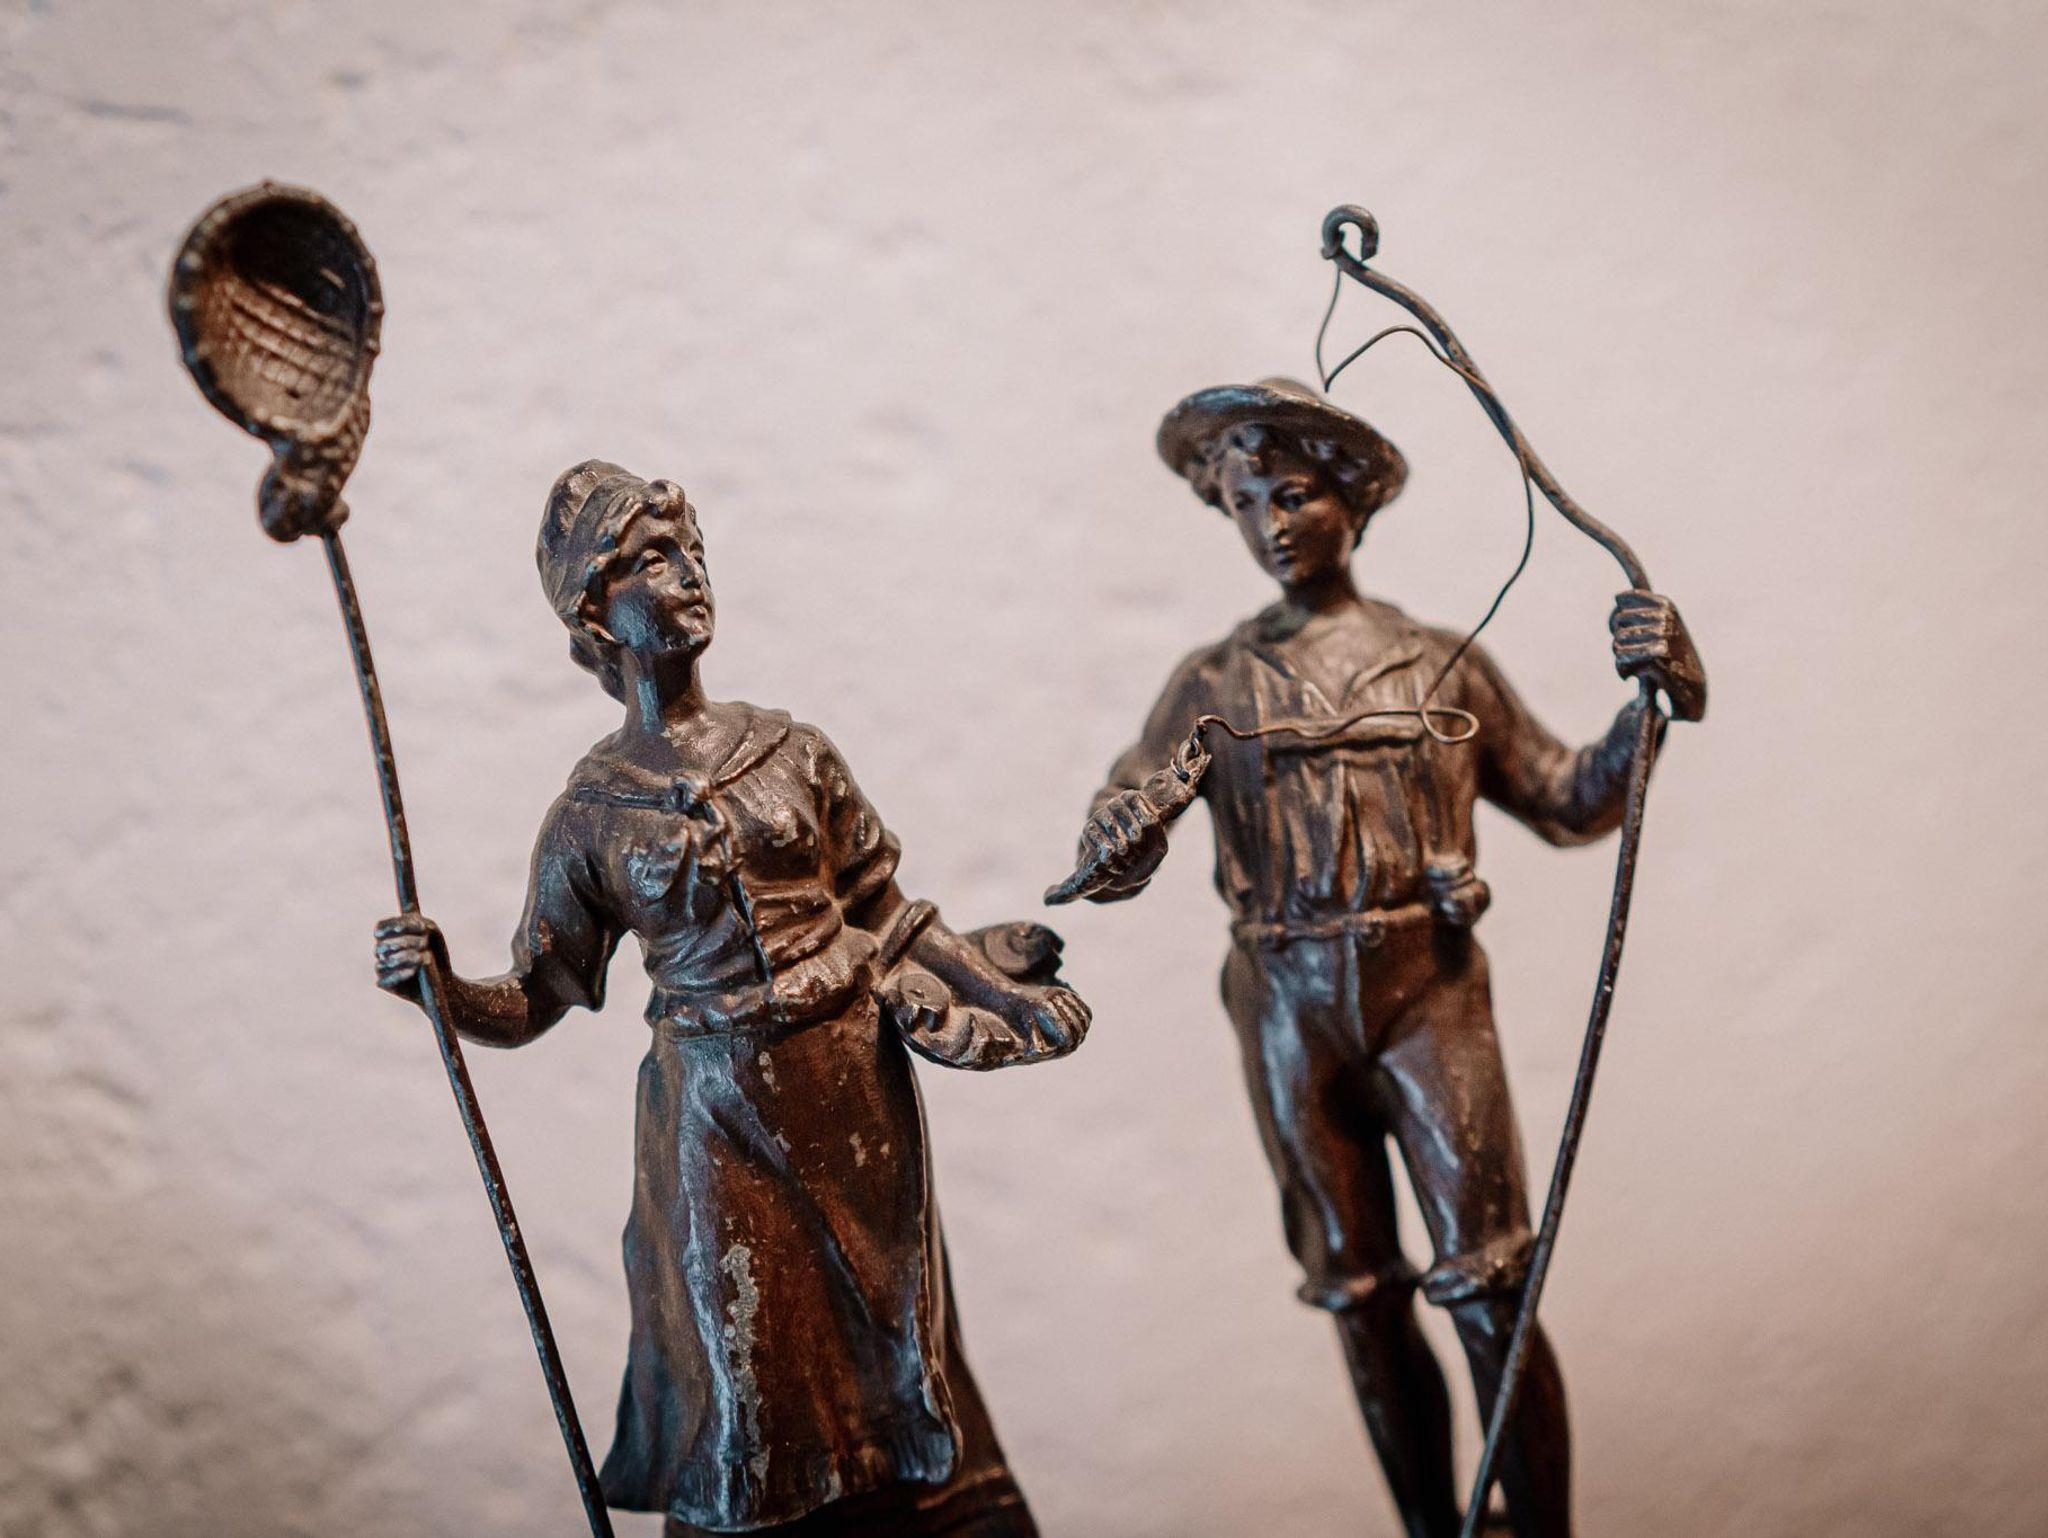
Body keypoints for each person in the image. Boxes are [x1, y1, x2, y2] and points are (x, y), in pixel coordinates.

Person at [374, 461, 1089, 1537]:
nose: (689, 572)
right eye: (652, 559)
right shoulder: (590, 816)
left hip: (854, 1091)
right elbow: (538, 992)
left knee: (898, 1337)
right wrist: (443, 989)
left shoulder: (793, 752)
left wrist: (1006, 996)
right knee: (746, 1366)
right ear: (594, 611)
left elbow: (890, 913)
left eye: (692, 549)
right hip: (716, 1116)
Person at [1066, 380, 1706, 1538]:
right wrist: (1116, 840)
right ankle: (1426, 1525)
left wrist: (1651, 705)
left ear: (1351, 501)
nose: (1268, 523)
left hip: (1428, 992)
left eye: (1292, 494)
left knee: (1489, 1280)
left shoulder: (1437, 661)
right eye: (1242, 501)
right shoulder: (1210, 683)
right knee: (1357, 1292)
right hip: (1282, 1003)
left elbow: (1568, 796)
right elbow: (1121, 828)